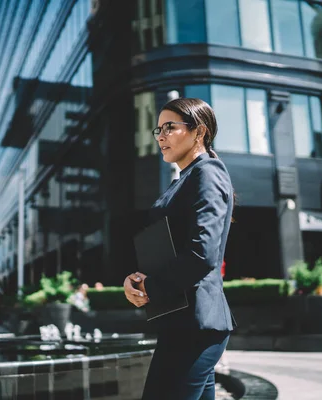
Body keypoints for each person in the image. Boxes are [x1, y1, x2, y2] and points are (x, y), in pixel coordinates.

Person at [123, 97, 236, 399]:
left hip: (195, 326)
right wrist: (138, 280)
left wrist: (152, 286)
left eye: (170, 127)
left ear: (198, 132)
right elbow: (174, 247)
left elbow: (203, 254)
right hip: (182, 322)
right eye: (158, 129)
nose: (160, 135)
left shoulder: (208, 172)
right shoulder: (184, 179)